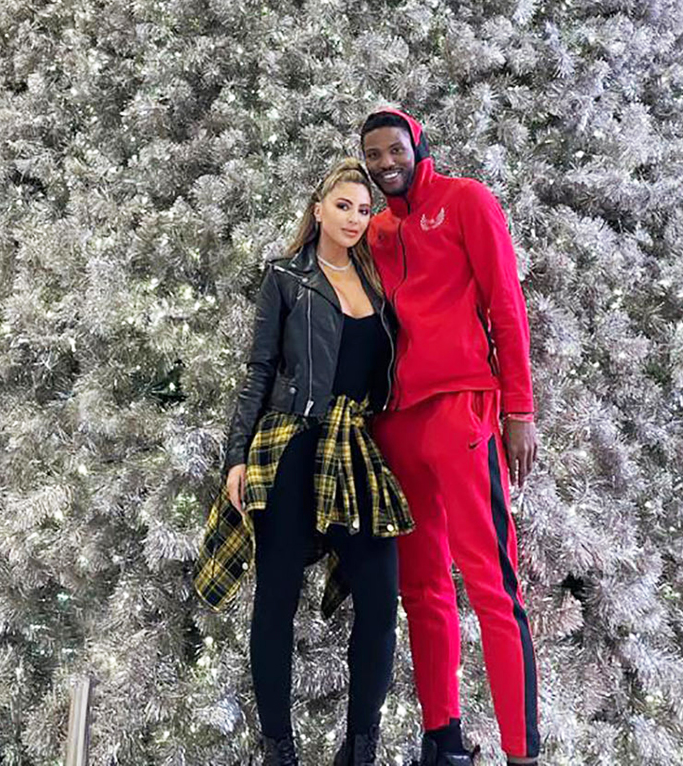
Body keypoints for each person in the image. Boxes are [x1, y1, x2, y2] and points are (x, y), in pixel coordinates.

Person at [196, 159, 413, 766]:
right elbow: (259, 371)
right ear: (318, 210)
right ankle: (278, 749)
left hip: (352, 448)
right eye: (343, 205)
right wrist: (235, 457)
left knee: (380, 596)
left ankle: (359, 748)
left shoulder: (378, 287)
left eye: (364, 209)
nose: (353, 217)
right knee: (277, 597)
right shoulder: (286, 278)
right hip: (291, 445)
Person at [360, 109, 540, 766]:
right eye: (373, 154)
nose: (385, 162)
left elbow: (504, 303)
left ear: (418, 146)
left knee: (492, 583)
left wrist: (519, 409)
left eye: (394, 149)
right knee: (423, 587)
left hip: (465, 411)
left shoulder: (466, 200)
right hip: (399, 423)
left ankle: (522, 750)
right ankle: (443, 739)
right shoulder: (375, 229)